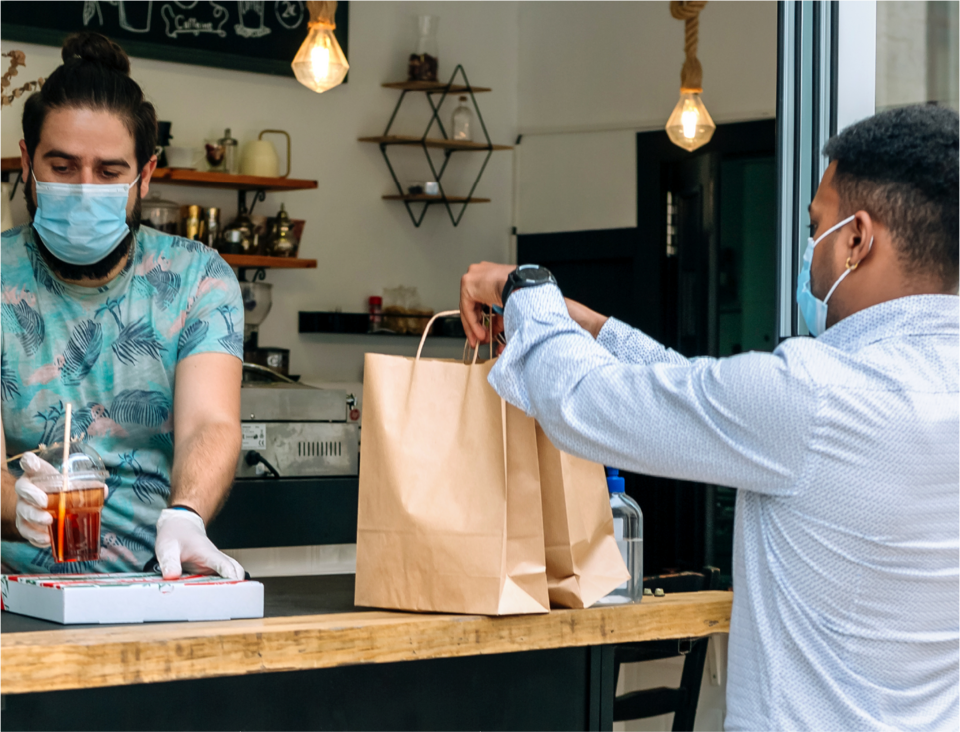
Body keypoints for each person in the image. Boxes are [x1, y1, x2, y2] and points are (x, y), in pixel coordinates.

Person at [459, 105, 960, 731]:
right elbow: (702, 399)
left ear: (857, 238)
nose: (810, 252)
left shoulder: (815, 395)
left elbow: (584, 403)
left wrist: (523, 285)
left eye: (817, 227)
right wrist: (591, 325)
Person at [0, 32, 244, 581]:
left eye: (109, 173)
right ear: (26, 162)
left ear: (145, 176)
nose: (85, 189)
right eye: (62, 168)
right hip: (13, 594)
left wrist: (186, 514)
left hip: (159, 580)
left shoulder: (199, 278)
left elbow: (210, 422)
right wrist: (17, 507)